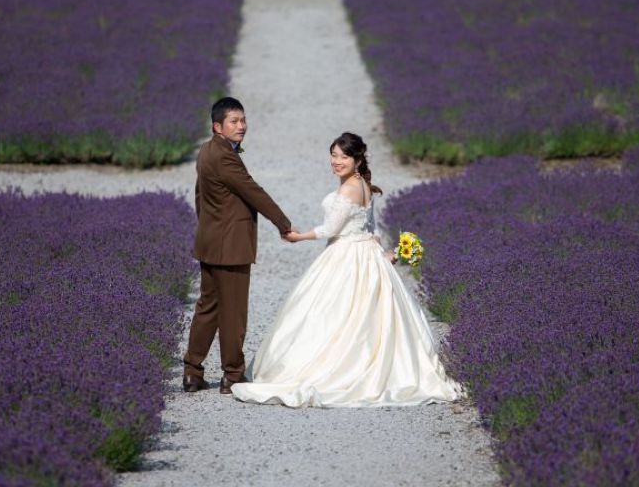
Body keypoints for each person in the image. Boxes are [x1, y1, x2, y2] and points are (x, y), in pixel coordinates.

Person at [231, 132, 463, 408]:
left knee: (329, 313)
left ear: (357, 159)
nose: (336, 161)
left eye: (343, 156)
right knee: (367, 316)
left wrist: (298, 236)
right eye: (333, 155)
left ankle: (335, 367)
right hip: (368, 254)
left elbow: (331, 229)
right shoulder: (364, 184)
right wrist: (385, 251)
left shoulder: (348, 189)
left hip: (346, 255)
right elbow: (371, 228)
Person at [183, 97, 294, 395]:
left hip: (210, 243)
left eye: (243, 120)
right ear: (217, 126)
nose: (241, 126)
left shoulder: (206, 151)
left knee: (208, 307)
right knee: (233, 313)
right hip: (230, 247)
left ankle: (192, 372)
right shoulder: (225, 157)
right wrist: (283, 223)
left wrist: (206, 228)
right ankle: (232, 375)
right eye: (234, 121)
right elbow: (252, 190)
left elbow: (199, 196)